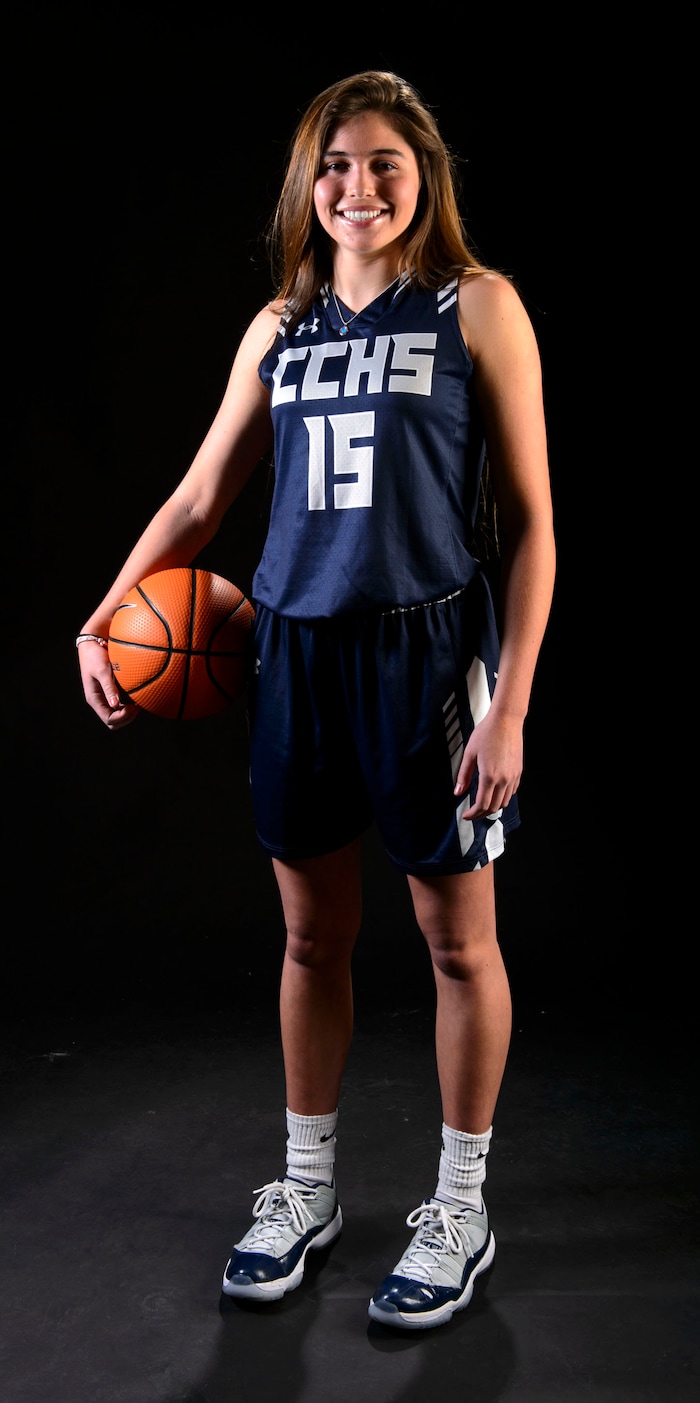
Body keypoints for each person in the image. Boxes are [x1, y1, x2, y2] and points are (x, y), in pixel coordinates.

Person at [77, 70, 555, 1332]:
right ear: (309, 181)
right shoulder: (278, 326)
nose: (360, 185)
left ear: (425, 176)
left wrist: (505, 699)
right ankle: (304, 1188)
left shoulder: (475, 306)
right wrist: (103, 613)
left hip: (426, 651)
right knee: (309, 939)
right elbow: (196, 502)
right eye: (337, 162)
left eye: (387, 161)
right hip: (292, 651)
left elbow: (534, 527)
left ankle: (459, 1202)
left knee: (458, 941)